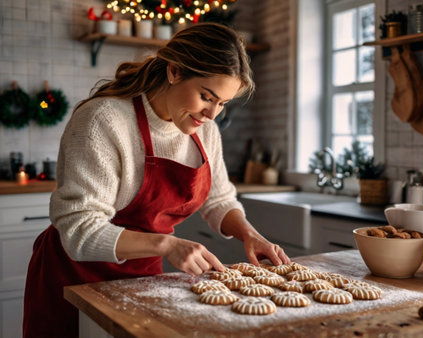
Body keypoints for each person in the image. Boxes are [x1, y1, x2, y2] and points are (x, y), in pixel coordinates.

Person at [23, 22, 289, 337]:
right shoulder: (105, 120)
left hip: (142, 277)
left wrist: (249, 234)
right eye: (206, 96)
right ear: (174, 72)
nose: (212, 114)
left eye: (223, 104)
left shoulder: (204, 131)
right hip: (73, 278)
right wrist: (166, 244)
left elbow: (219, 199)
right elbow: (80, 231)